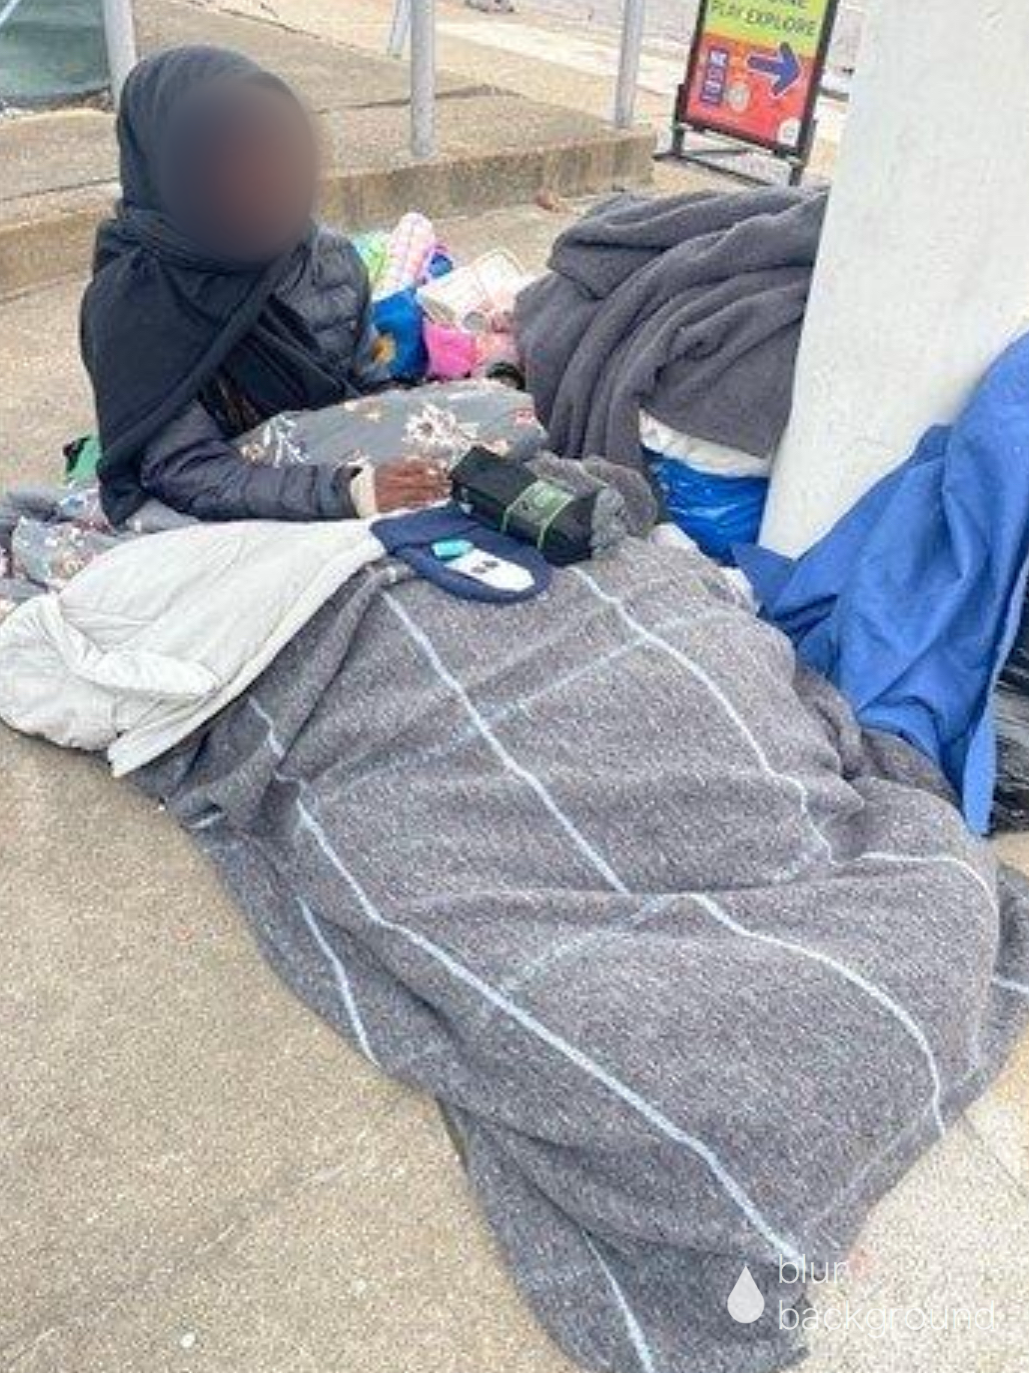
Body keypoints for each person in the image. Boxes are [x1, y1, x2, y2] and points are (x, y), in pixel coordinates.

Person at [80, 45, 451, 526]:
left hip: (350, 474)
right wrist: (348, 493)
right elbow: (182, 467)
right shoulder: (135, 303)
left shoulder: (330, 259)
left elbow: (369, 394)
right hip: (233, 507)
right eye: (226, 158)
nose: (264, 176)